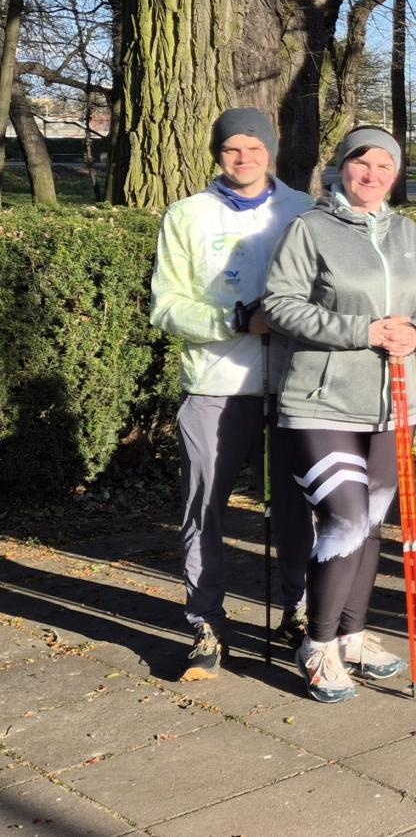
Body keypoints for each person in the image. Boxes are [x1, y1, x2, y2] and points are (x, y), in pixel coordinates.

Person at [264, 126, 416, 702]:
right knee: (344, 518)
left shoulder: (408, 233)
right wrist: (362, 331)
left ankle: (352, 635)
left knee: (371, 522)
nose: (372, 175)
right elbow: (280, 304)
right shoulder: (310, 228)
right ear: (341, 167)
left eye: (385, 166)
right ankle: (316, 645)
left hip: (391, 402)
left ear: (396, 175)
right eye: (362, 163)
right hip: (321, 402)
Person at [149, 108, 315, 681]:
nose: (243, 158)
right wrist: (237, 319)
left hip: (294, 387)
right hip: (215, 385)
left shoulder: (304, 209)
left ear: (272, 151)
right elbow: (166, 306)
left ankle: (298, 611)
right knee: (204, 508)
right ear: (218, 154)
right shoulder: (186, 215)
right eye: (231, 149)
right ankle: (206, 623)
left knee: (296, 507)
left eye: (254, 148)